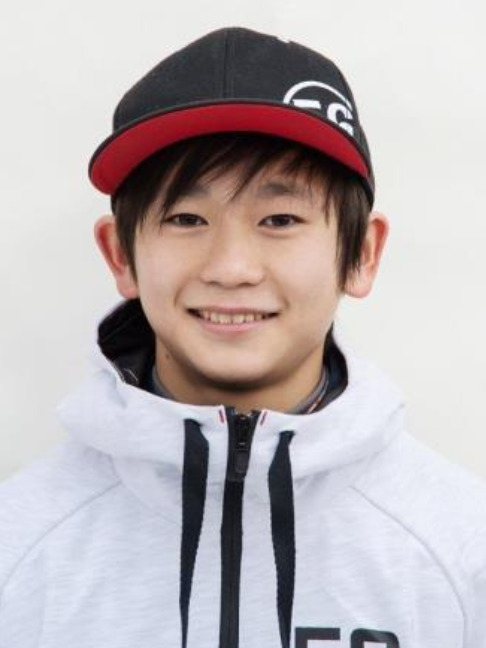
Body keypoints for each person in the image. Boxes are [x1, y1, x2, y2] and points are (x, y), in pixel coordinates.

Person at [0, 26, 485, 648]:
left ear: (362, 254)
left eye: (280, 219)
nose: (231, 268)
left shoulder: (461, 547)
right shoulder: (19, 547)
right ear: (120, 254)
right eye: (186, 218)